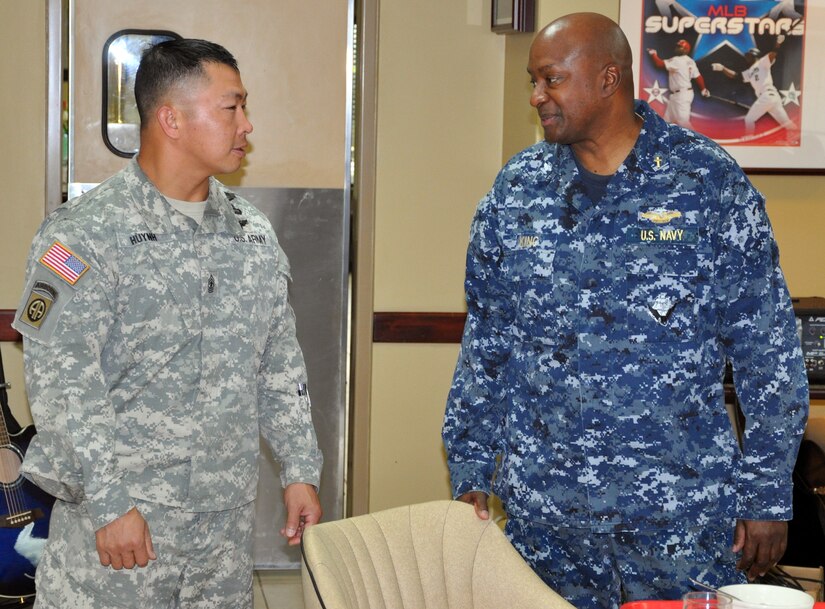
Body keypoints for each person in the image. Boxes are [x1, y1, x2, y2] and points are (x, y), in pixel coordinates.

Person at [442, 12, 808, 609]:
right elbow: (487, 342)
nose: (537, 96)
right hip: (545, 522)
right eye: (533, 82)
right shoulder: (518, 191)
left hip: (676, 522)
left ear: (608, 79)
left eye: (551, 79)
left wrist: (766, 495)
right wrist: (470, 471)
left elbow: (767, 352)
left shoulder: (707, 183)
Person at [12, 38, 323, 609]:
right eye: (231, 107)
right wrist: (110, 503)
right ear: (170, 119)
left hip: (221, 538)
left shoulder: (251, 234)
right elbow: (61, 381)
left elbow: (279, 363)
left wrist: (299, 467)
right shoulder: (81, 235)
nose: (247, 125)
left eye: (244, 107)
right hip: (122, 533)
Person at [712, 36, 798, 138]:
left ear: (754, 55)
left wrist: (777, 44)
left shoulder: (762, 62)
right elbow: (736, 76)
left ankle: (749, 137)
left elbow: (772, 55)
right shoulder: (750, 71)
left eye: (749, 55)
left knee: (749, 119)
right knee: (786, 123)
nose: (747, 57)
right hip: (771, 97)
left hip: (767, 95)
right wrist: (722, 68)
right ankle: (797, 137)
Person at [647, 39, 710, 129]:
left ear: (686, 49)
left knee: (683, 123)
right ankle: (666, 142)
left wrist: (653, 54)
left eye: (680, 47)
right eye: (677, 46)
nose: (677, 48)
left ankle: (697, 141)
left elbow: (659, 64)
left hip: (682, 95)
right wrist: (703, 89)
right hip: (678, 95)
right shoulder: (690, 61)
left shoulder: (677, 60)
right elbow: (698, 77)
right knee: (667, 122)